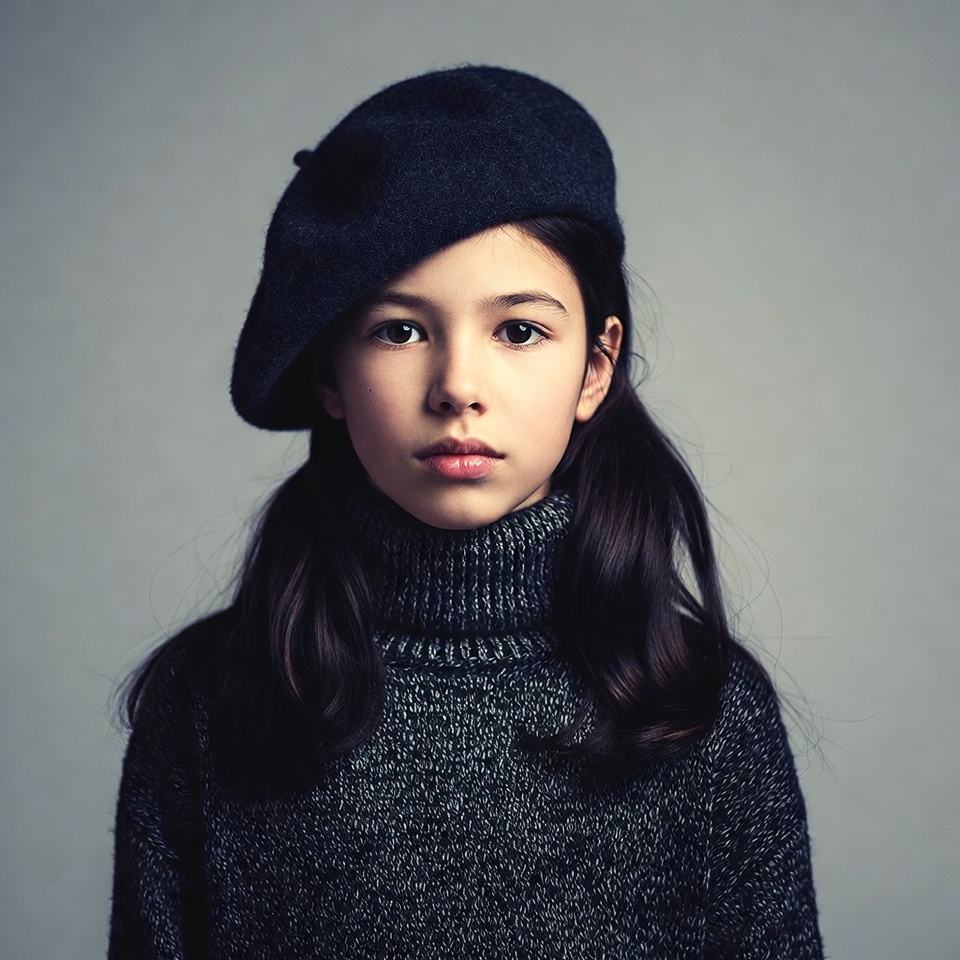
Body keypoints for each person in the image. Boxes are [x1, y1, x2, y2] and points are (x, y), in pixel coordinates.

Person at [109, 66, 823, 959]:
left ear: (596, 368)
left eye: (519, 330)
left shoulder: (704, 710)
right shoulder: (210, 701)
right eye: (399, 330)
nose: (457, 388)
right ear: (330, 374)